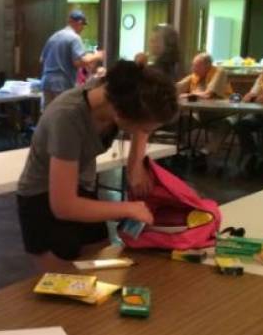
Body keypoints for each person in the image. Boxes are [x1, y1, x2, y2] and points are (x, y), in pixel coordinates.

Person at [17, 60, 178, 272]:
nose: (145, 133)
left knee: (102, 269)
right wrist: (127, 208)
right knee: (66, 281)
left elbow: (142, 120)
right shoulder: (67, 117)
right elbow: (63, 206)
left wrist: (135, 164)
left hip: (80, 189)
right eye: (146, 128)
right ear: (121, 115)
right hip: (41, 200)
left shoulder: (120, 90)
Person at [40, 11, 103, 109]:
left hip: (46, 82)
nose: (83, 28)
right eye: (83, 25)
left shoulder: (54, 36)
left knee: (48, 113)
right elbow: (79, 61)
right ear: (79, 23)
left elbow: (42, 59)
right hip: (61, 84)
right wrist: (97, 56)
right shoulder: (74, 37)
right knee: (62, 113)